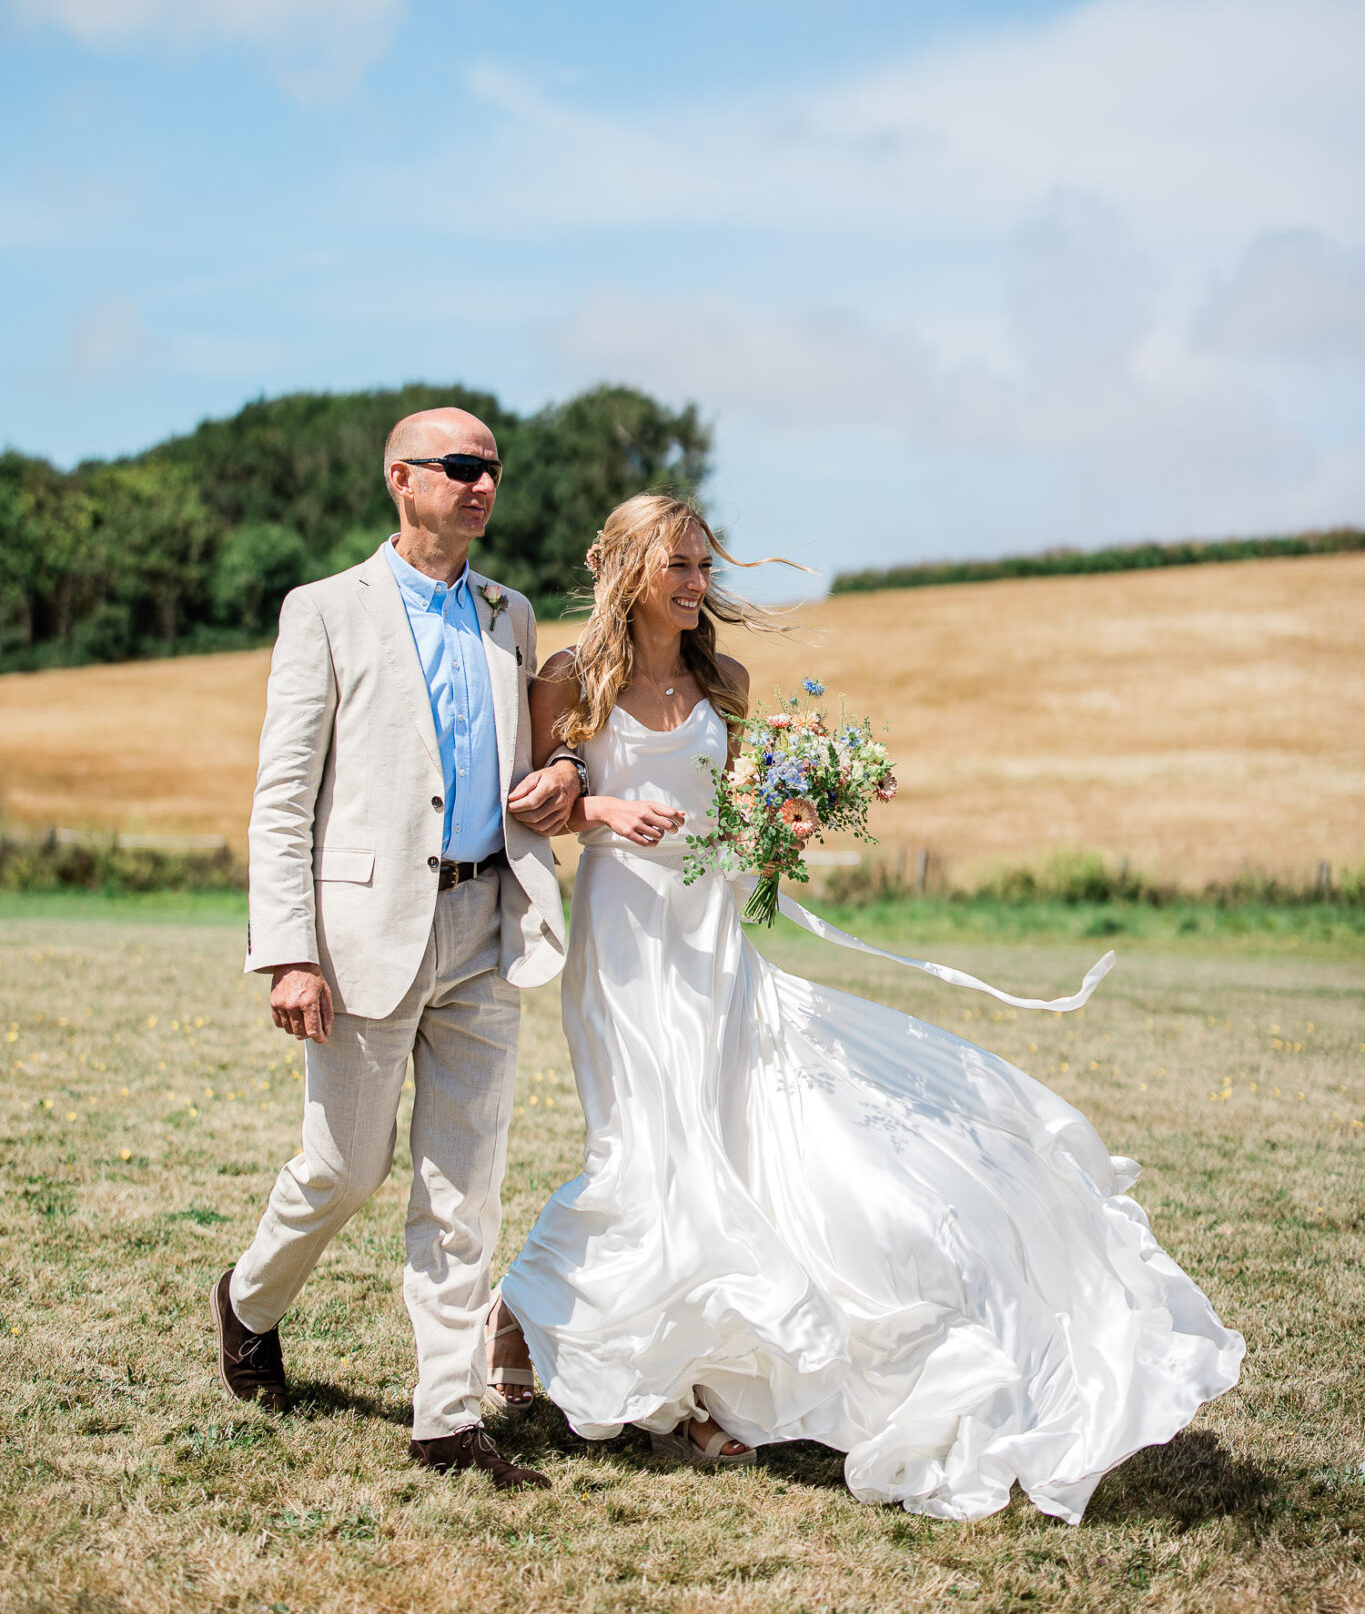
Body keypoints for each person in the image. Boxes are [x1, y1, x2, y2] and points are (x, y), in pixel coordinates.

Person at [493, 493, 1244, 1519]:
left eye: (704, 563)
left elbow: (730, 804)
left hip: (715, 933)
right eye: (678, 562)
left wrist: (784, 817)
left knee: (727, 1146)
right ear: (627, 565)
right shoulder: (569, 680)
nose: (697, 580)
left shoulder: (727, 679)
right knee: (640, 1146)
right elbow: (542, 802)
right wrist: (603, 807)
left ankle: (708, 1384)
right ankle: (516, 1315)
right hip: (624, 936)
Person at [212, 406, 586, 1492]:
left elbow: (547, 750)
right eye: (459, 467)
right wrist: (288, 949)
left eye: (492, 470)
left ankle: (445, 1419)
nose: (480, 484)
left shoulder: (511, 616)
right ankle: (247, 1298)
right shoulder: (324, 610)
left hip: (487, 924)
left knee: (463, 1183)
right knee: (344, 1166)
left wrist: (564, 777)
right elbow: (283, 795)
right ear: (400, 479)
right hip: (360, 932)